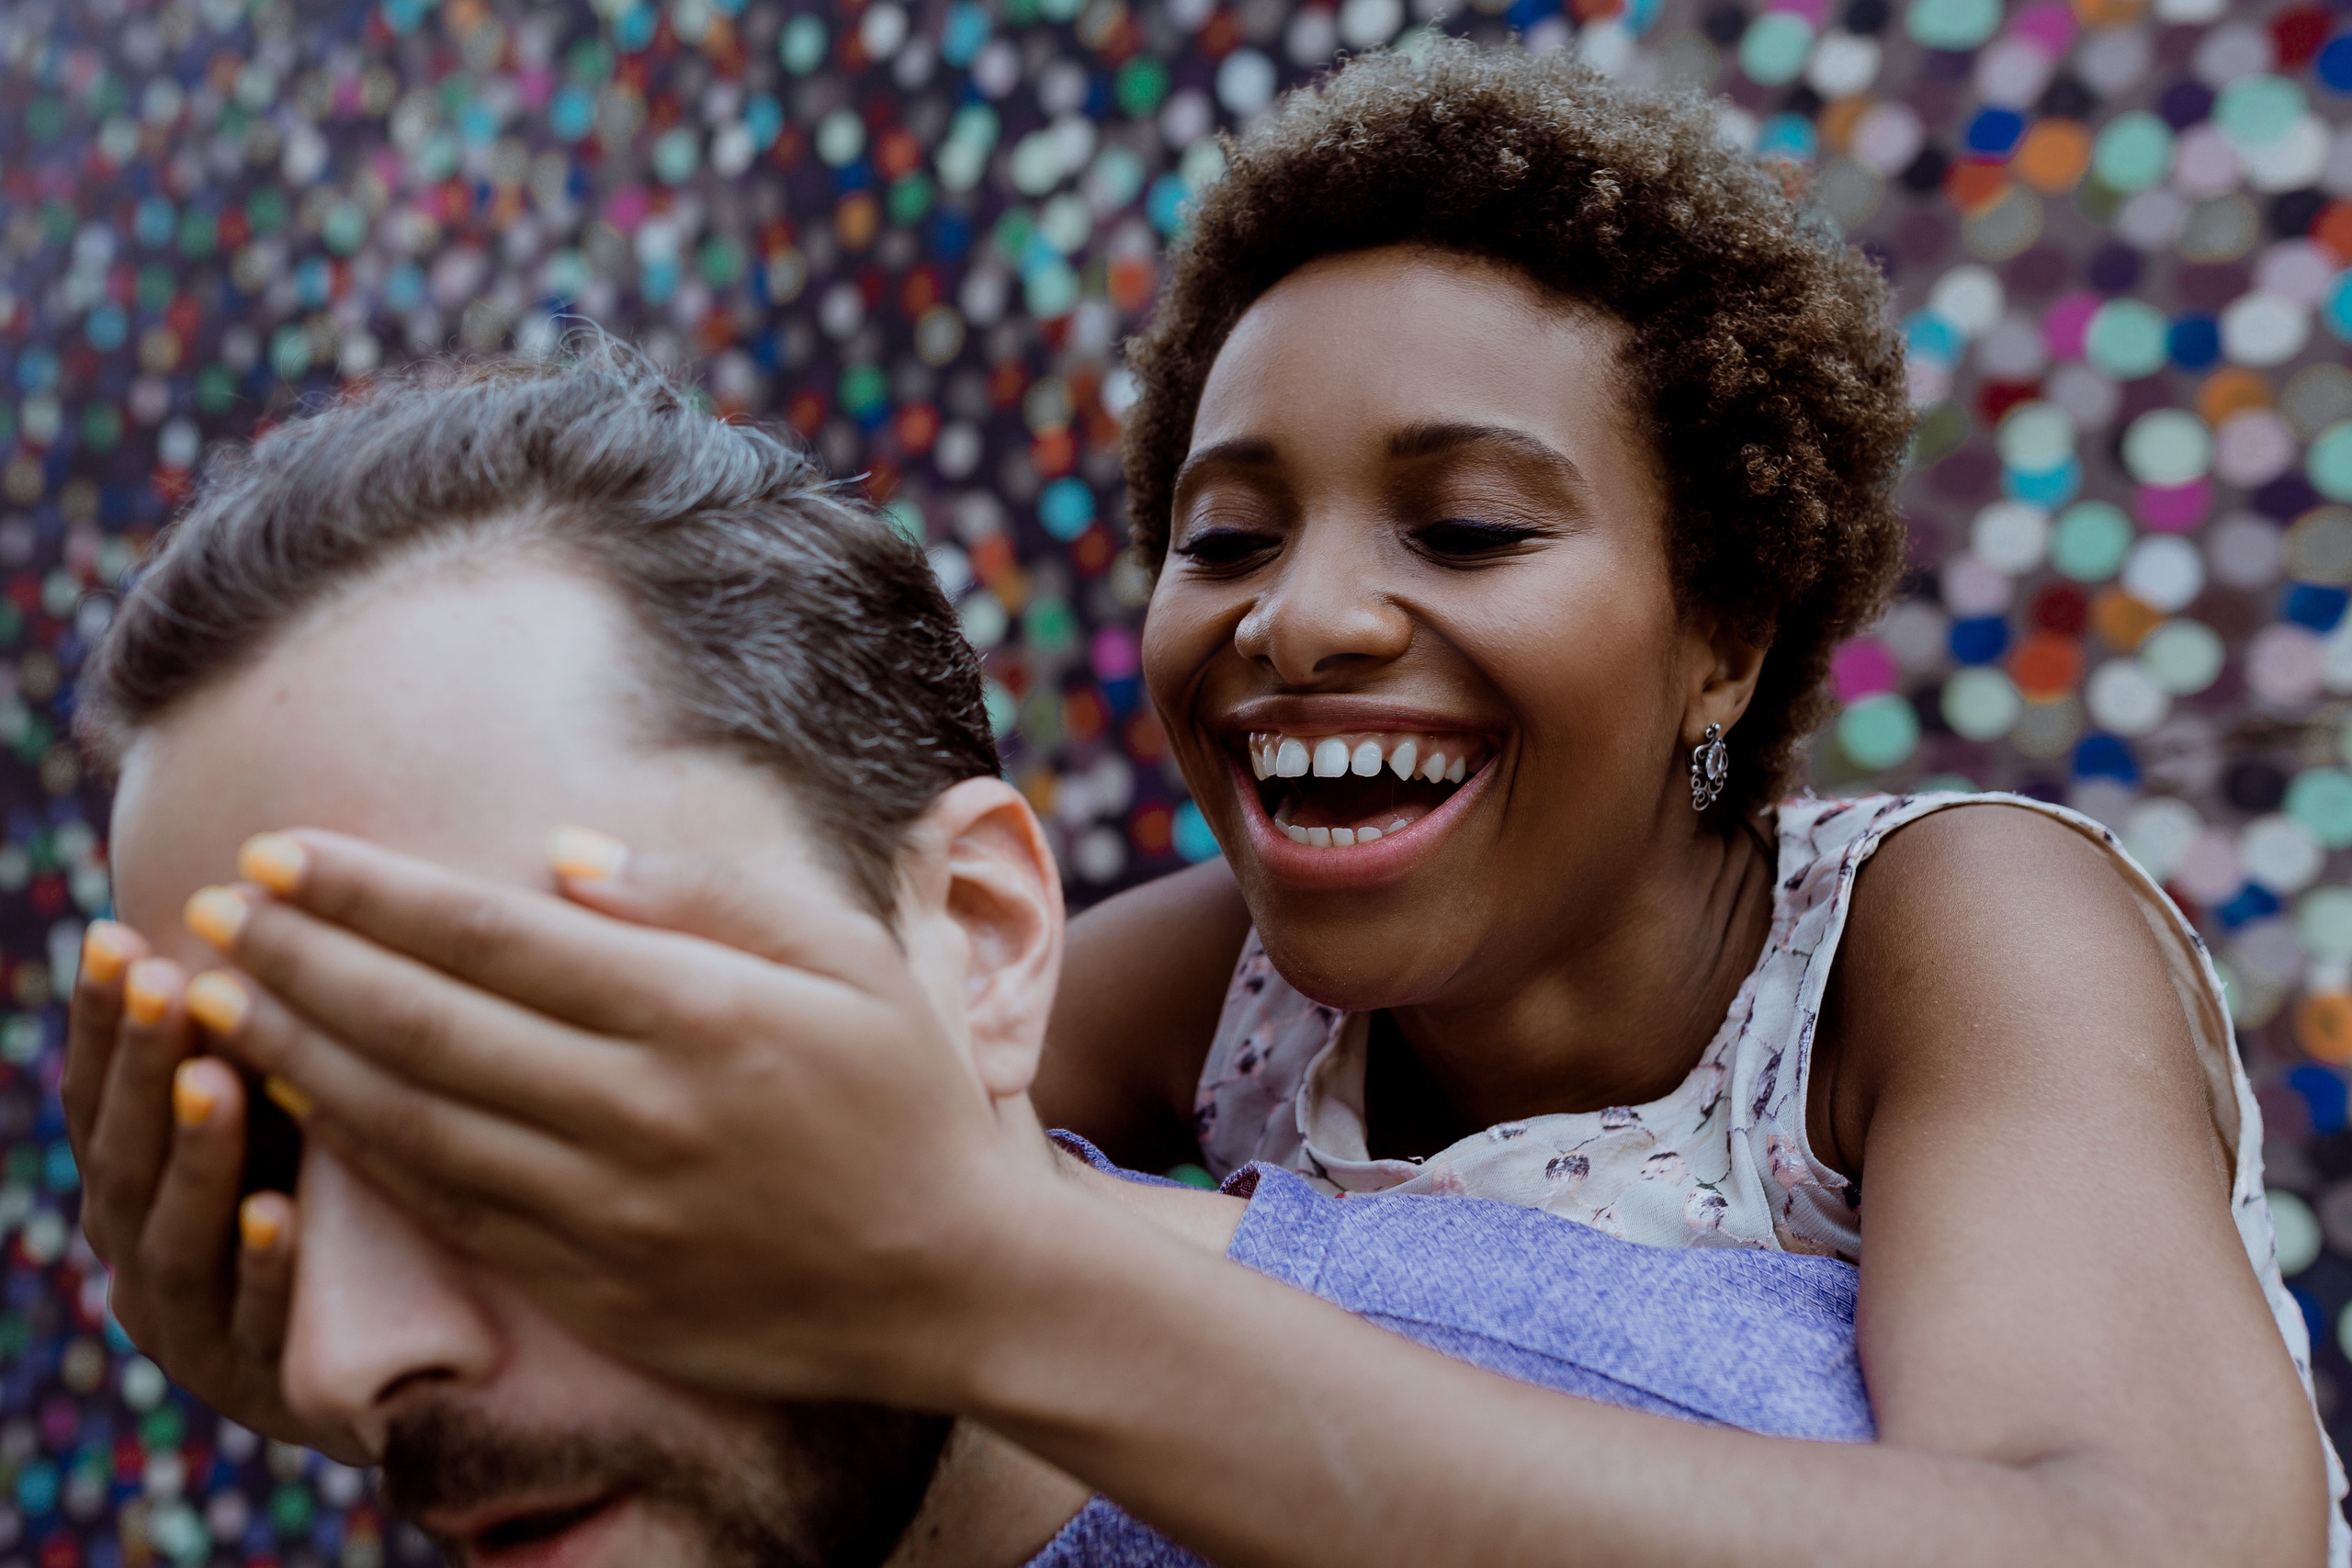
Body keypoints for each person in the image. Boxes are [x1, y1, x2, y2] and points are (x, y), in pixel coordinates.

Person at [74, 43, 2342, 1565]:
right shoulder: (1210, 974)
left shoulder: (1946, 925)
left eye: (1464, 528)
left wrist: (989, 1278)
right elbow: (789, 1166)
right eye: (1224, 534)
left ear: (1723, 634)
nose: (1307, 616)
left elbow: (2157, 1540)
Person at [69, 344, 1877, 1568]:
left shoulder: (1706, 1454)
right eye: (277, 1153)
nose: (335, 1370)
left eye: (510, 1082)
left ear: (982, 943)